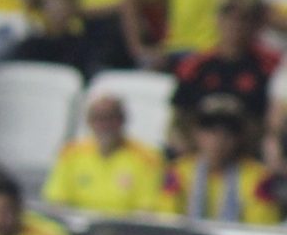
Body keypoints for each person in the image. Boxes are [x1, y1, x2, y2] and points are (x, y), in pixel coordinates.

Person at [161, 94, 283, 223]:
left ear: (241, 137)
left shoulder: (258, 177)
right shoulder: (178, 172)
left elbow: (261, 227)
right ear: (195, 132)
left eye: (229, 130)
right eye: (209, 128)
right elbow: (166, 220)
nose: (218, 139)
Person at [44, 94, 171, 217]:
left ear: (122, 120)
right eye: (98, 118)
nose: (104, 125)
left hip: (126, 229)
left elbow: (146, 211)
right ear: (88, 121)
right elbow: (57, 202)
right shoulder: (71, 153)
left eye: (110, 118)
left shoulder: (147, 158)